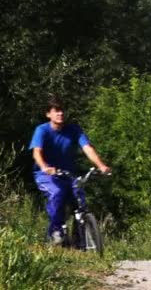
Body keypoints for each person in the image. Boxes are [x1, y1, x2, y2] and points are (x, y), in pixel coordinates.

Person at [29, 95, 111, 244]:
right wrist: (45, 167)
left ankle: (79, 240)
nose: (60, 114)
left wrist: (101, 166)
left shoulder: (73, 130)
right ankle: (56, 231)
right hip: (46, 174)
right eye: (56, 110)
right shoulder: (42, 130)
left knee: (79, 198)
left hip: (68, 174)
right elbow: (37, 152)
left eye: (62, 111)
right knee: (57, 193)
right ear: (48, 114)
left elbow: (88, 148)